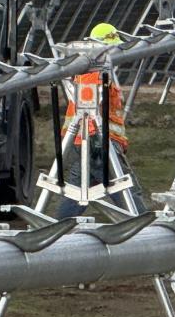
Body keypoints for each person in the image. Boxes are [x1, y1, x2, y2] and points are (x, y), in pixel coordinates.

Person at [55, 22, 148, 217]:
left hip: (90, 140)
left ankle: (58, 227)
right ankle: (141, 224)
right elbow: (88, 109)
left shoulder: (98, 69)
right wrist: (96, 141)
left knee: (79, 191)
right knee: (125, 189)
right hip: (97, 141)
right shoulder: (93, 71)